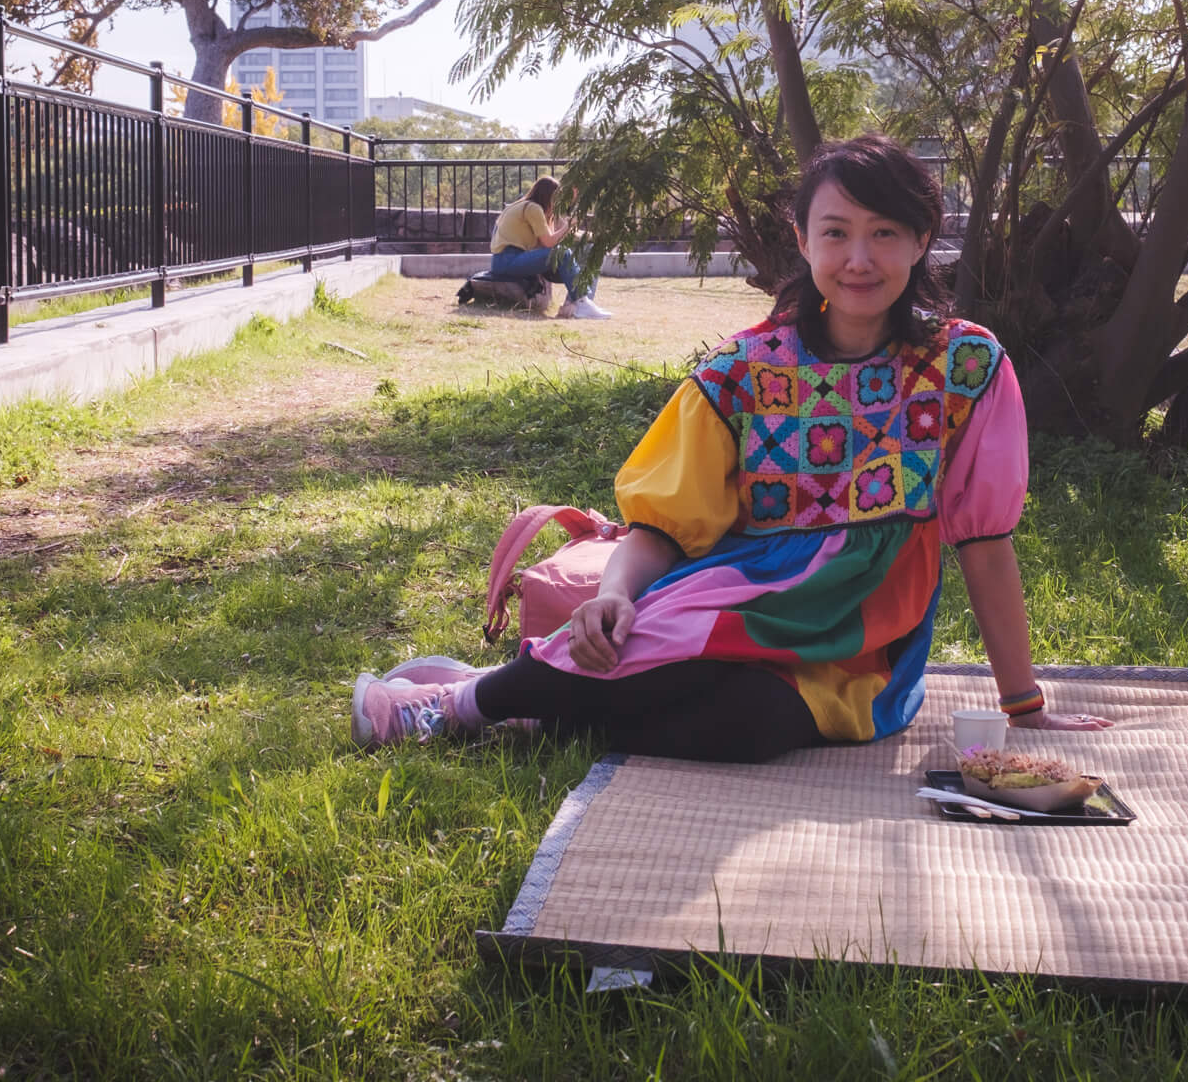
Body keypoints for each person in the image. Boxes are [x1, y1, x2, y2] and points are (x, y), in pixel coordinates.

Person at [353, 135, 1109, 760]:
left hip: (859, 644)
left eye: (885, 233)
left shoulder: (966, 368)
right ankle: (452, 705)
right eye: (836, 232)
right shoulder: (743, 369)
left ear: (920, 240)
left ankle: (529, 702)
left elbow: (985, 543)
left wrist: (1025, 704)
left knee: (746, 729)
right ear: (802, 239)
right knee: (648, 649)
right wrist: (616, 593)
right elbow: (663, 525)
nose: (859, 258)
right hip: (735, 600)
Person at [489, 175, 609, 320]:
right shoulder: (532, 208)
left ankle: (575, 305)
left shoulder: (530, 208)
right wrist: (569, 225)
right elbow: (549, 243)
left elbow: (555, 238)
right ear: (547, 196)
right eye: (556, 198)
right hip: (508, 260)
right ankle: (581, 302)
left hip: (517, 259)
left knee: (591, 252)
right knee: (563, 253)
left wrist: (595, 237)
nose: (558, 202)